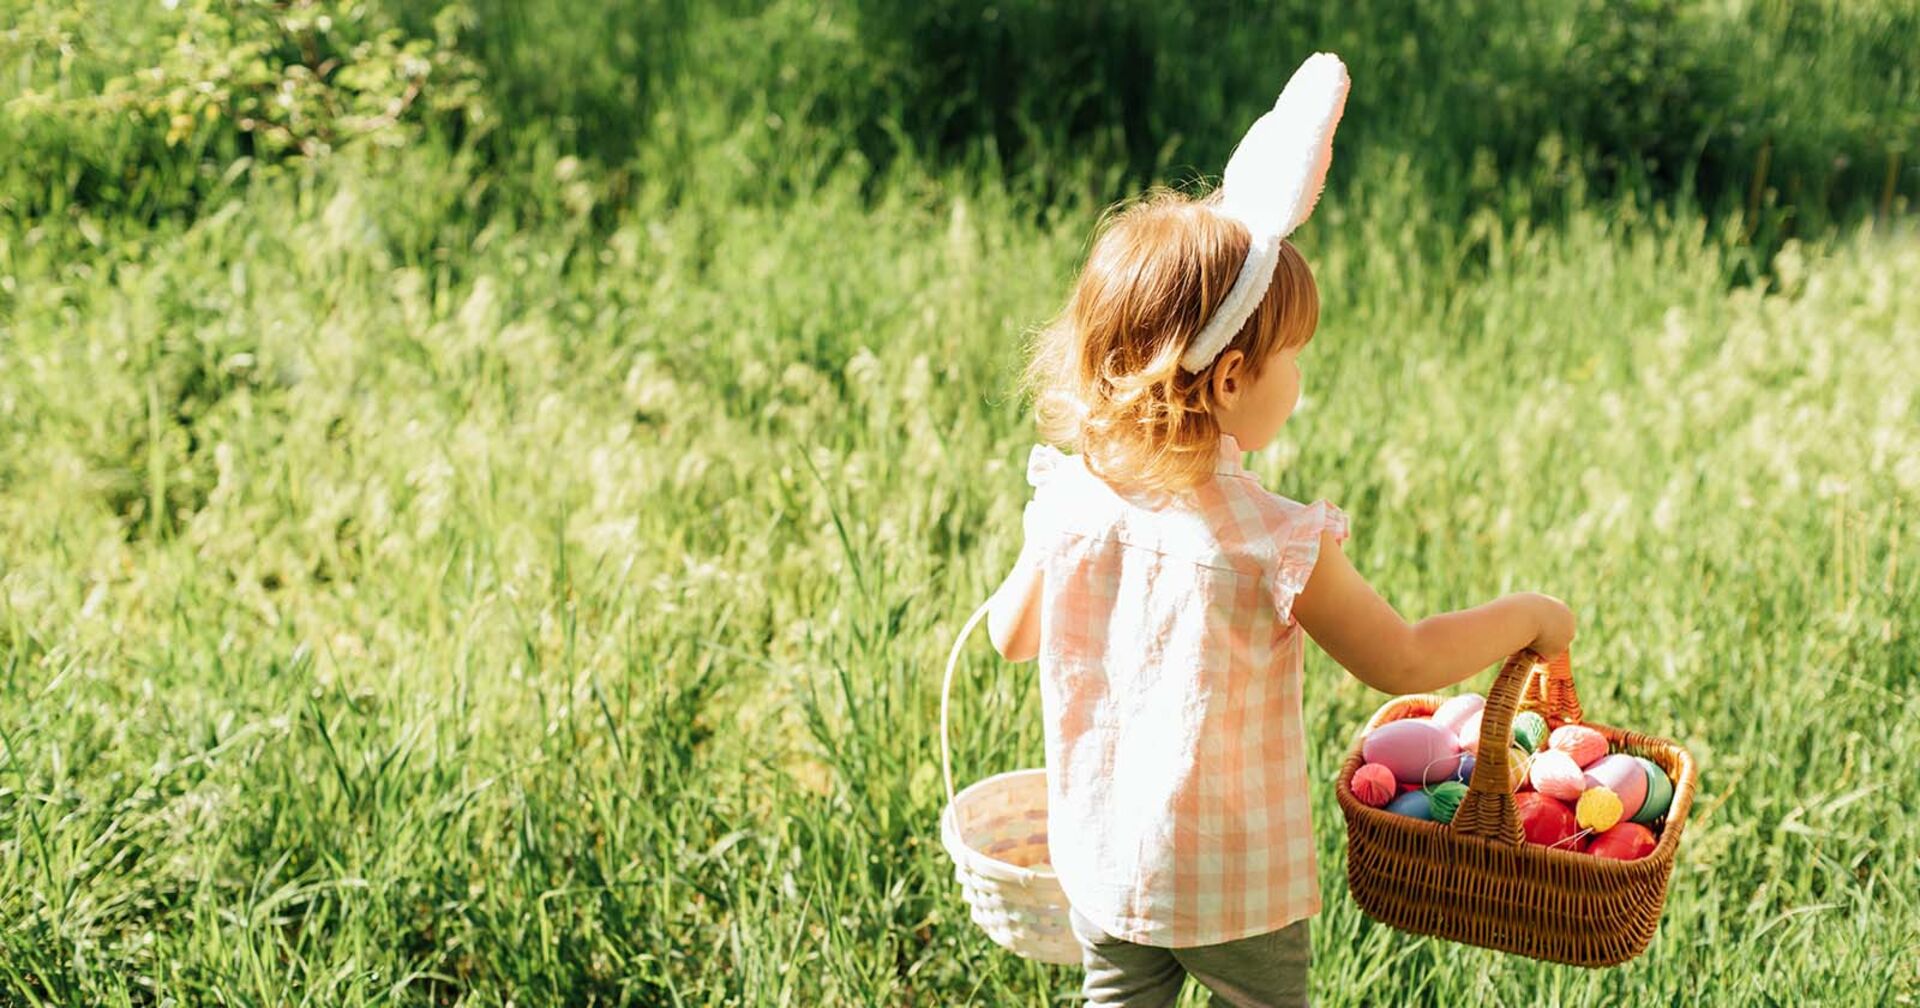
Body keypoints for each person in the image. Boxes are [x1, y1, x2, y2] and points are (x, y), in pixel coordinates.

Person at [984, 55, 1575, 1008]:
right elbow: (1405, 659)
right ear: (1229, 381)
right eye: (1291, 359)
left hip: (1101, 865)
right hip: (1234, 891)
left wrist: (1047, 528)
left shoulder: (1072, 498)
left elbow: (1015, 637)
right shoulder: (1271, 541)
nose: (1299, 380)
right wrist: (1528, 614)